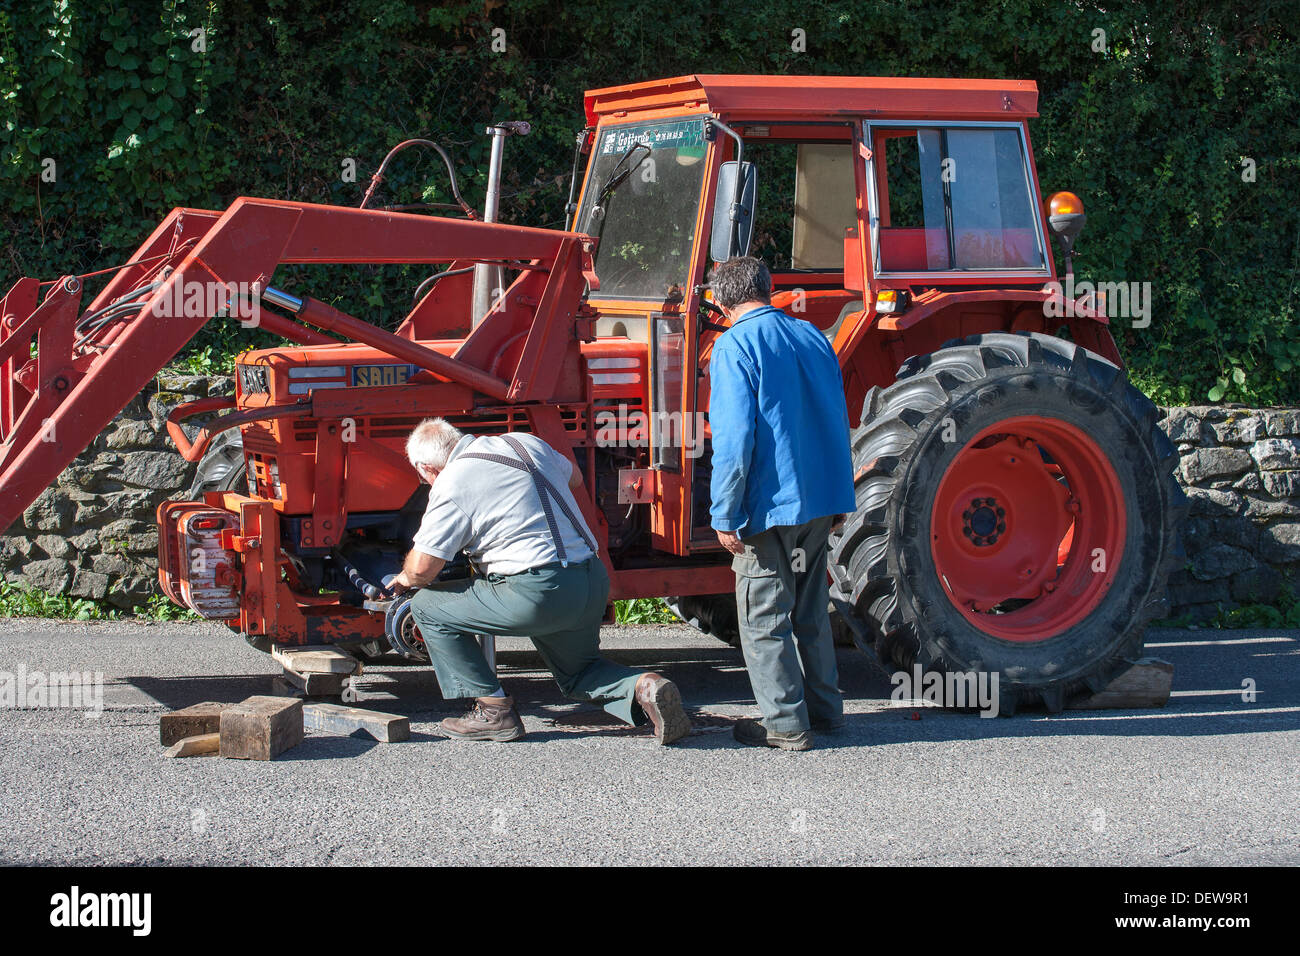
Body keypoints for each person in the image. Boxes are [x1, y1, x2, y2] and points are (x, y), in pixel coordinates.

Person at [388, 418, 691, 745]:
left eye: (424, 480)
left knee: (427, 606)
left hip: (538, 591)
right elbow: (573, 478)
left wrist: (403, 577)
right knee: (580, 674)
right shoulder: (524, 443)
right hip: (590, 579)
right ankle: (646, 686)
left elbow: (423, 570)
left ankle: (493, 711)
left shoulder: (451, 480)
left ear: (427, 468)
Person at [707, 256, 856, 751]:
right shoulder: (814, 336)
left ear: (719, 300)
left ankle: (785, 725)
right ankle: (826, 712)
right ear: (768, 288)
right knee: (811, 608)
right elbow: (836, 415)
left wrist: (725, 514)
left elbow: (733, 440)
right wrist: (840, 495)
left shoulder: (733, 345)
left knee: (763, 615)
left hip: (766, 506)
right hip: (818, 499)